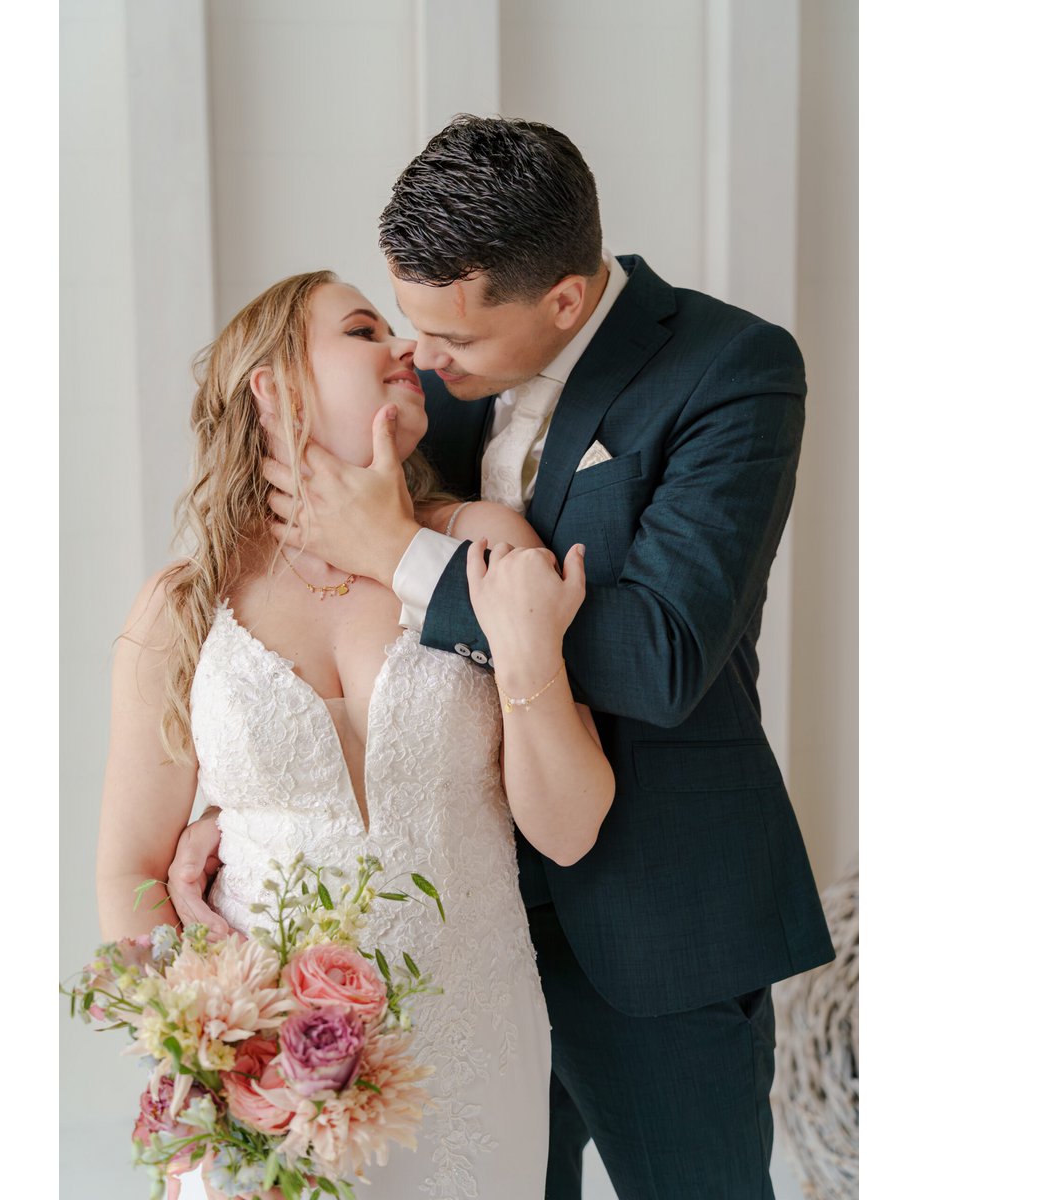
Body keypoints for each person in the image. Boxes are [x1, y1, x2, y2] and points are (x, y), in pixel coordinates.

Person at [170, 117, 837, 1198]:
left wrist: (398, 555)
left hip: (654, 924)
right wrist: (254, 799)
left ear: (564, 300)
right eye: (405, 326)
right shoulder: (423, 379)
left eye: (454, 343)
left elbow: (665, 657)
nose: (418, 360)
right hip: (451, 948)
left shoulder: (732, 370)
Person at [96, 268, 618, 1200]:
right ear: (274, 385)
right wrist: (199, 1044)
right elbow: (128, 864)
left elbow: (570, 829)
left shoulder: (487, 546)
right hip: (265, 1067)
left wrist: (530, 647)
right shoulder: (184, 605)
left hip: (469, 1044)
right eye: (363, 329)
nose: (406, 349)